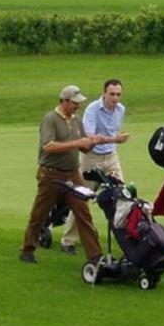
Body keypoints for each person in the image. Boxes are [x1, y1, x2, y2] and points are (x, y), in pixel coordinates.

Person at [20, 85, 105, 264]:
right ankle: (27, 249)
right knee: (40, 214)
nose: (77, 106)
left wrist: (93, 142)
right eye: (74, 103)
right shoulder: (50, 119)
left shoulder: (76, 120)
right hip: (51, 175)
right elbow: (48, 146)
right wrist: (77, 142)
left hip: (73, 175)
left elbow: (83, 147)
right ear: (64, 101)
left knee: (83, 213)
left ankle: (95, 257)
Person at [60, 78, 129, 254]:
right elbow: (90, 137)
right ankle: (68, 240)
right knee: (81, 198)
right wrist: (115, 139)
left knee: (122, 196)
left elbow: (112, 132)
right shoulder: (92, 109)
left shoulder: (120, 110)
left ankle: (127, 239)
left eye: (118, 94)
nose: (115, 98)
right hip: (91, 157)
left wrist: (113, 140)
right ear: (104, 93)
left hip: (111, 157)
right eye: (112, 94)